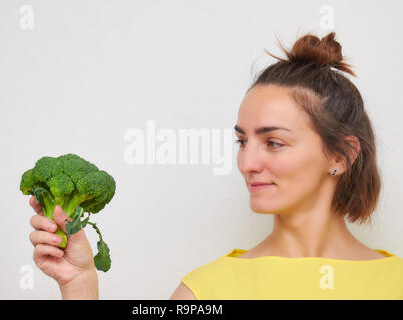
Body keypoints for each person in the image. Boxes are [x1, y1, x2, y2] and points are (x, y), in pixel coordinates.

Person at [27, 31, 403, 299]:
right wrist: (79, 286)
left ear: (341, 156)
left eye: (273, 142)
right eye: (243, 141)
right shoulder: (205, 291)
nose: (246, 162)